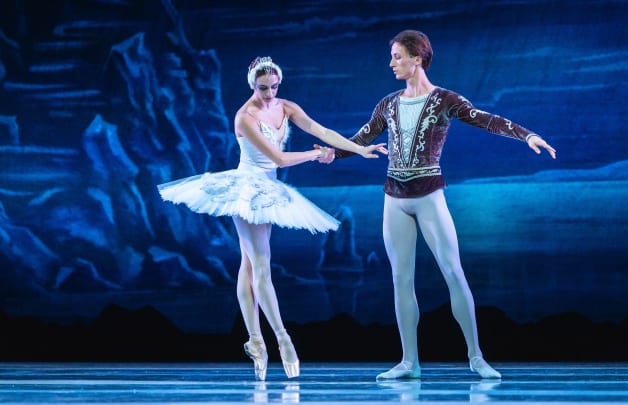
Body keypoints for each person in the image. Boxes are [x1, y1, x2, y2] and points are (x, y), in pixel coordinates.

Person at [320, 30, 556, 380]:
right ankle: (409, 362)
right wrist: (332, 152)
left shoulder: (445, 99)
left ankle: (476, 356)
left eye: (398, 56)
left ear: (418, 58)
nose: (392, 63)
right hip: (394, 199)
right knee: (401, 279)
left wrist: (527, 135)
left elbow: (484, 119)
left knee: (453, 273)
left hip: (429, 195)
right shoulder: (388, 104)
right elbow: (362, 138)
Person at [157, 56, 387, 381]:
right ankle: (282, 338)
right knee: (260, 264)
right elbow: (277, 157)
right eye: (263, 88)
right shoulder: (244, 117)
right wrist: (316, 154)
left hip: (270, 189)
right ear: (252, 84)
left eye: (274, 87)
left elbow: (320, 129)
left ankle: (254, 339)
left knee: (249, 265)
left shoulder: (286, 106)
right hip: (247, 190)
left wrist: (359, 149)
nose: (268, 93)